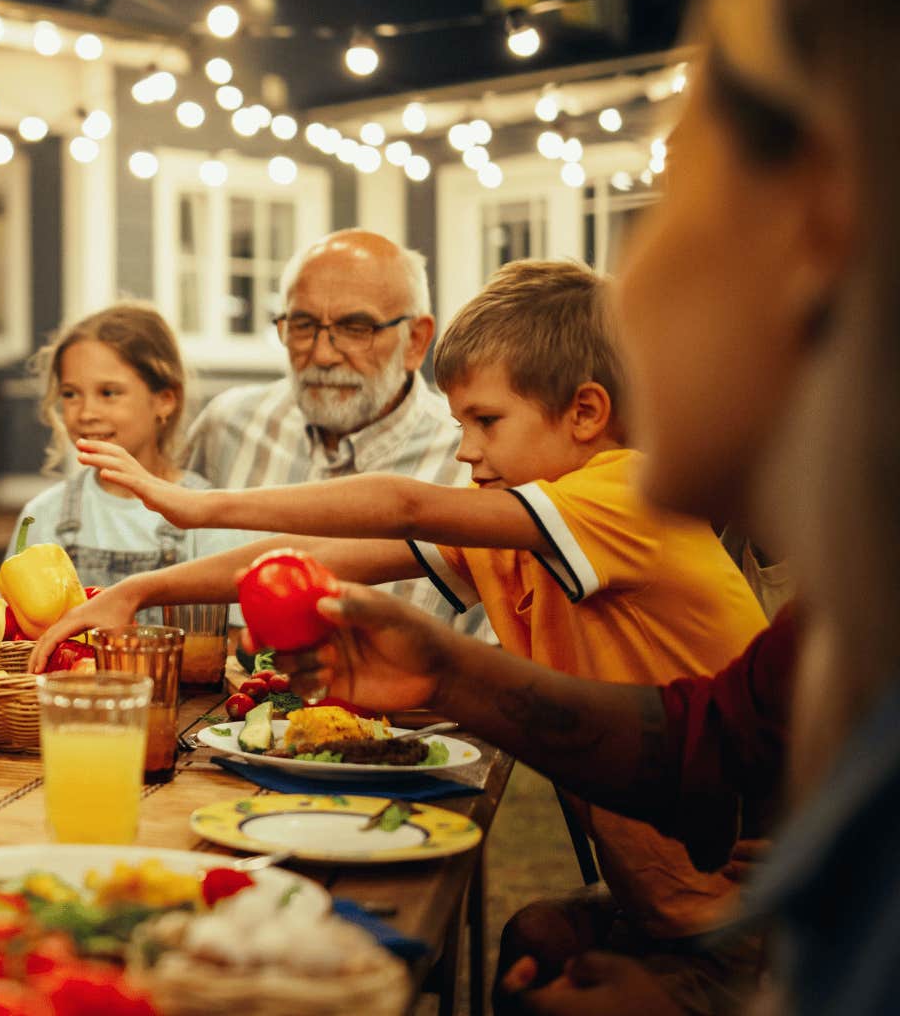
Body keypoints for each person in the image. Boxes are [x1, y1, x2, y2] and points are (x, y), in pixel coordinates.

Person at [49, 260, 769, 1007]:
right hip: (659, 902)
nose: (465, 450)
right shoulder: (518, 530)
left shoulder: (626, 494)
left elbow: (405, 505)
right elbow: (317, 560)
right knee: (535, 940)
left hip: (744, 916)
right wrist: (144, 589)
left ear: (586, 413)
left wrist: (197, 506)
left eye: (485, 422)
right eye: (459, 424)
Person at [181, 229, 482, 632]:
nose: (322, 354)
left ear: (416, 340)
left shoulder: (469, 460)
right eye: (302, 325)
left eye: (357, 328)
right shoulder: (229, 426)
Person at [5, 304, 240, 613]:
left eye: (109, 393)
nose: (86, 413)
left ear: (165, 400)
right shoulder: (44, 515)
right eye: (71, 394)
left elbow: (235, 639)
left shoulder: (209, 518)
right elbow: (10, 628)